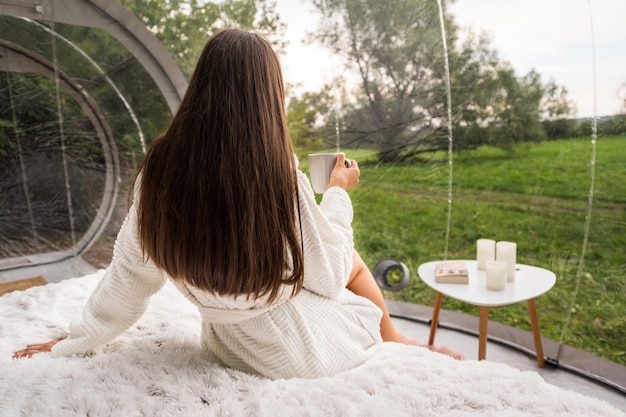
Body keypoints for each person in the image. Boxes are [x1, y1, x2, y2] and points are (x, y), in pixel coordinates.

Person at [12, 28, 462, 378]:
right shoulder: (277, 174)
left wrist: (75, 342)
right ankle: (396, 337)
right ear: (269, 97)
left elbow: (128, 277)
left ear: (200, 86)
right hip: (300, 352)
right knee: (353, 261)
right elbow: (327, 276)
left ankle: (397, 336)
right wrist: (338, 193)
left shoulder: (160, 172)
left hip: (230, 347)